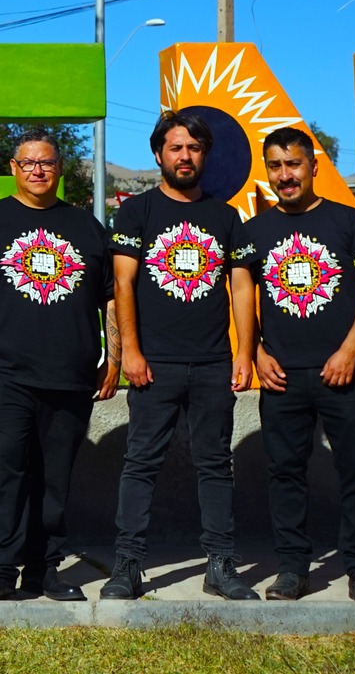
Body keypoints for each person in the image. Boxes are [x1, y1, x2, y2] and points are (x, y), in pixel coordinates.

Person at [0, 129, 117, 602]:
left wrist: (115, 358)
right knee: (6, 474)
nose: (37, 170)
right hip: (5, 376)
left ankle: (45, 570)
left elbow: (111, 298)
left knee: (54, 480)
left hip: (71, 376)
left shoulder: (87, 227)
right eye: (28, 163)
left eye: (46, 162)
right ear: (14, 168)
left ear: (59, 169)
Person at [102, 110, 257, 601]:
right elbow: (122, 284)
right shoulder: (136, 212)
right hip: (154, 363)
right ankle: (127, 565)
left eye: (193, 148)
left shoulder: (226, 217)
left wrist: (245, 352)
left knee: (215, 465)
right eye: (176, 147)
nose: (185, 156)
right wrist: (130, 352)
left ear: (204, 155)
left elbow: (241, 287)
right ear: (159, 155)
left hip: (213, 362)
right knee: (140, 463)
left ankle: (221, 565)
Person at [237, 126, 355, 602]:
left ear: (314, 166)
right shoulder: (254, 231)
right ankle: (292, 569)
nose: (285, 175)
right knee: (285, 474)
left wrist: (349, 351)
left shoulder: (348, 222)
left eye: (294, 164)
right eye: (276, 166)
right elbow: (240, 295)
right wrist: (255, 352)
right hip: (281, 378)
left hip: (345, 373)